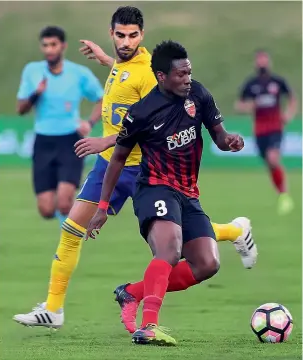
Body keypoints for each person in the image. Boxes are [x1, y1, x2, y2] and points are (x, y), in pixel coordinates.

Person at [13, 7, 256, 330]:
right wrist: (105, 60)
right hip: (111, 165)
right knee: (73, 229)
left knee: (177, 243)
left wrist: (105, 141)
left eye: (132, 36)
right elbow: (128, 75)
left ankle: (232, 232)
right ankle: (54, 308)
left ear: (142, 35)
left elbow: (148, 117)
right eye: (120, 35)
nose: (125, 42)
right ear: (111, 33)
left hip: (143, 167)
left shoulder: (151, 74)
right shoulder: (126, 65)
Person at [86, 40, 245, 346]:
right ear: (161, 76)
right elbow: (118, 158)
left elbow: (219, 136)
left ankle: (131, 292)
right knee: (169, 251)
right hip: (154, 188)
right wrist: (103, 207)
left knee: (207, 264)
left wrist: (231, 142)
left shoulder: (198, 94)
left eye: (189, 72)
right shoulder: (141, 113)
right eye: (181, 74)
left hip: (188, 193)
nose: (187, 79)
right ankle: (149, 326)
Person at [16, 26, 104, 226]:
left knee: (64, 203)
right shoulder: (32, 71)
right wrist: (36, 93)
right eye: (45, 45)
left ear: (62, 46)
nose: (49, 50)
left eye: (53, 45)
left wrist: (89, 122)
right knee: (46, 209)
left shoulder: (78, 73)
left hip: (70, 140)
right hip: (43, 140)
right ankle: (73, 201)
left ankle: (69, 241)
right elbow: (20, 109)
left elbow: (102, 99)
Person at [235, 50, 297, 215]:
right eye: (259, 61)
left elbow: (292, 98)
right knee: (270, 164)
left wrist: (289, 114)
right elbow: (239, 105)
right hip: (259, 131)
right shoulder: (251, 84)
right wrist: (250, 106)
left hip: (276, 128)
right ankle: (281, 193)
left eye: (264, 61)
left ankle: (285, 195)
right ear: (256, 64)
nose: (262, 64)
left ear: (269, 62)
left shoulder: (277, 82)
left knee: (273, 158)